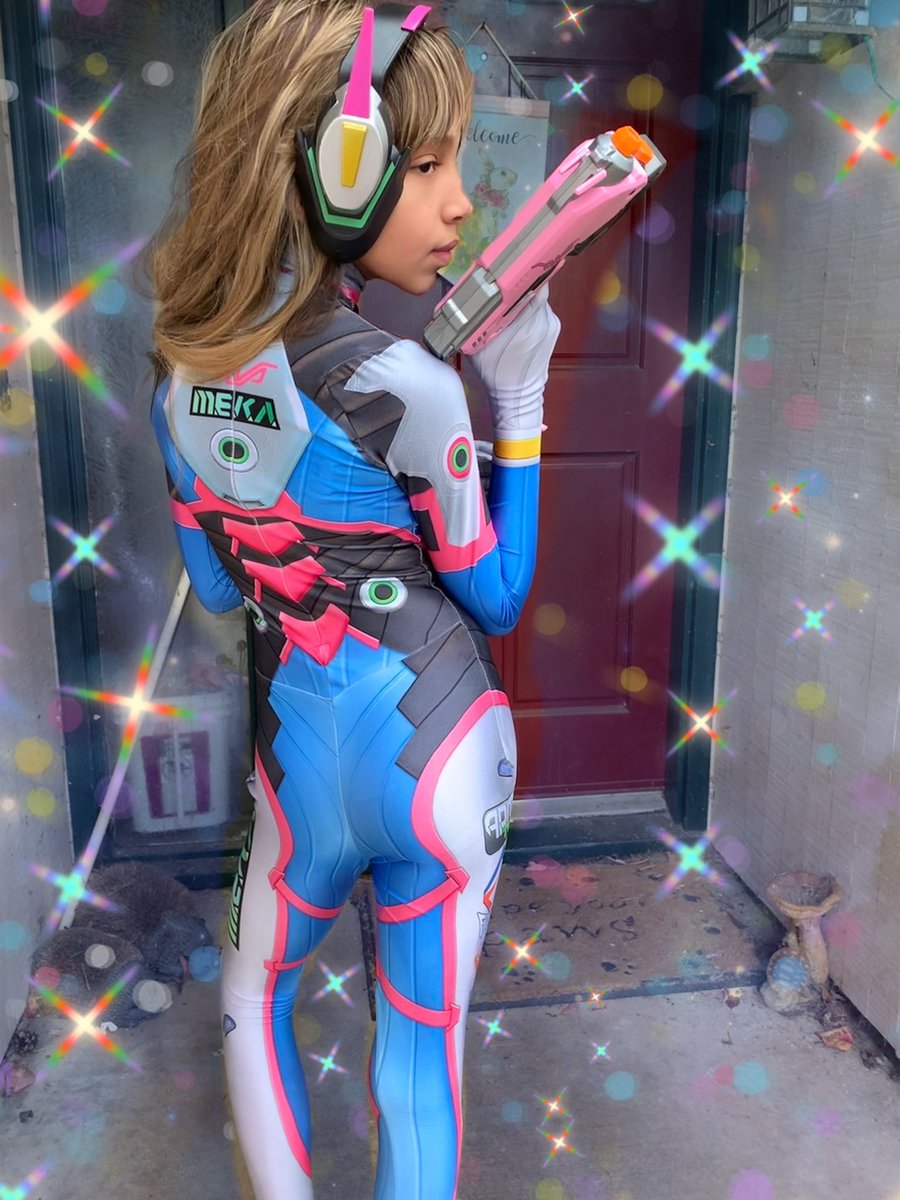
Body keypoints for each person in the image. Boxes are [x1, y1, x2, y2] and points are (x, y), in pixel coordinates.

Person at [146, 2, 560, 1197]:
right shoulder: (409, 383)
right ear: (336, 170)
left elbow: (217, 583)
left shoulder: (177, 374)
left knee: (248, 998)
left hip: (292, 775)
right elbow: (495, 595)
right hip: (438, 755)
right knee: (420, 1057)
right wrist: (518, 402)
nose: (461, 204)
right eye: (425, 165)